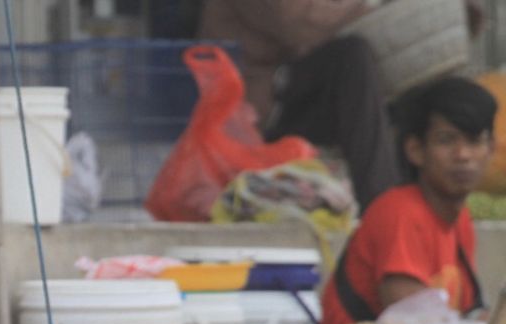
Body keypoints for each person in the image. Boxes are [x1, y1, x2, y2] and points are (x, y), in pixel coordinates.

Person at [197, 0, 484, 209]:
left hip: (300, 89)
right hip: (256, 104)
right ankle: (383, 207)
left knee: (410, 80)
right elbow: (300, 25)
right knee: (352, 58)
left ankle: (425, 204)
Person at [320, 76, 497, 324]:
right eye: (447, 140)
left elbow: (468, 315)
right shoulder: (399, 213)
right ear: (415, 150)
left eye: (475, 141)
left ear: (491, 148)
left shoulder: (460, 220)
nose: (464, 155)